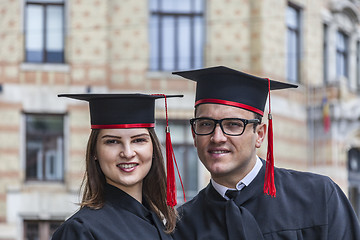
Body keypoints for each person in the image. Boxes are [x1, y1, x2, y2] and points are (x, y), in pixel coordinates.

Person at [171, 66, 360, 240]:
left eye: (233, 125)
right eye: (205, 124)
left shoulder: (318, 197)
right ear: (194, 135)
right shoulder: (183, 226)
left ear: (260, 134)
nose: (217, 137)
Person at [52, 93, 182, 240]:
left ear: (153, 149)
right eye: (112, 142)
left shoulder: (162, 224)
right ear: (95, 151)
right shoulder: (80, 230)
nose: (127, 153)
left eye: (139, 140)